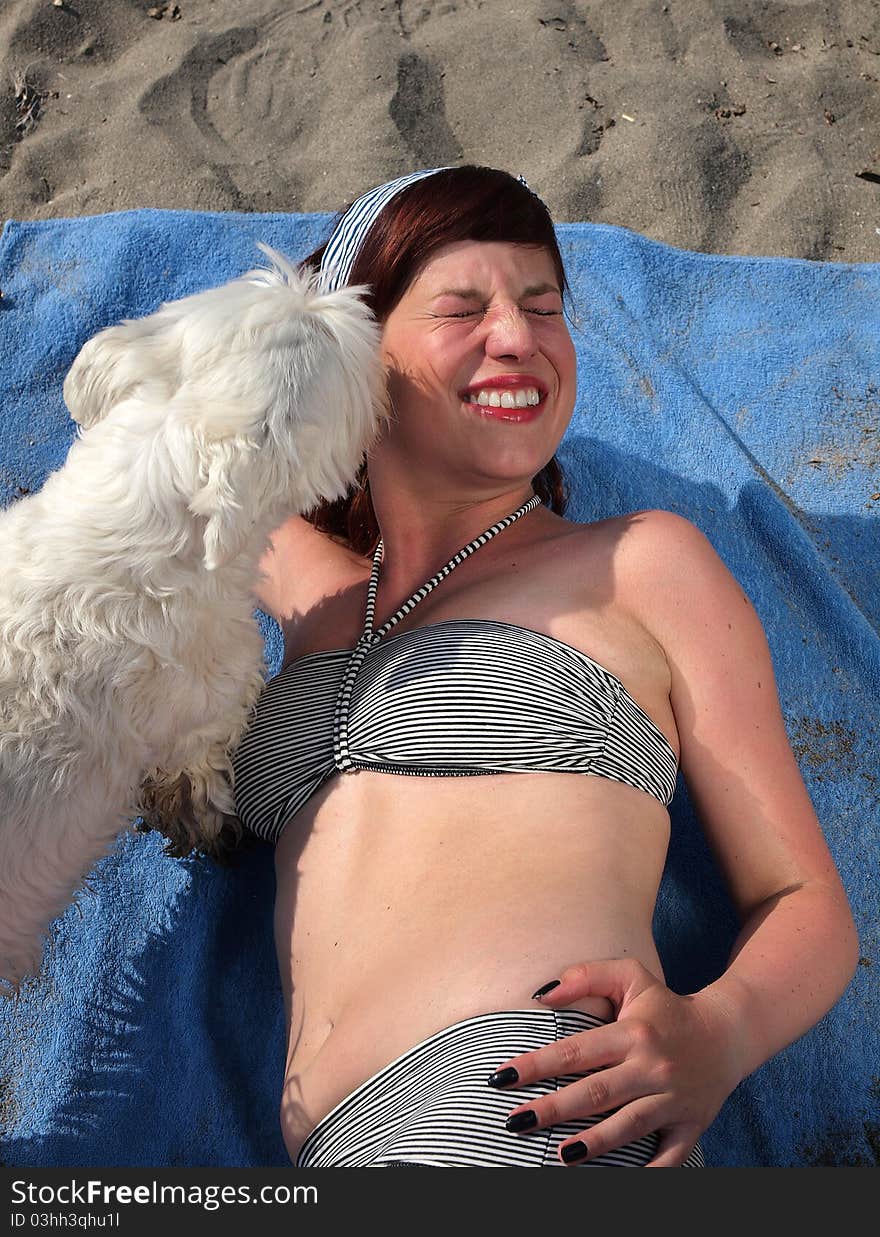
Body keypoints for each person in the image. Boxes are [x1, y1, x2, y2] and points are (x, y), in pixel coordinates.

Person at [231, 165, 859, 1168]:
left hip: (546, 1120)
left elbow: (803, 900)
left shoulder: (638, 564)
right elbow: (180, 437)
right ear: (351, 347)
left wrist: (721, 1030)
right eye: (461, 308)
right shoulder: (320, 602)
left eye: (543, 306)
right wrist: (305, 347)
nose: (517, 336)